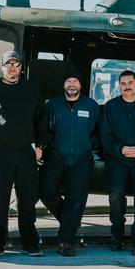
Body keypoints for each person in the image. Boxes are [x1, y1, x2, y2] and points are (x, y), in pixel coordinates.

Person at [0, 50, 44, 258]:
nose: (12, 68)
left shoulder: (32, 89)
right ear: (2, 67)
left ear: (20, 68)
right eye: (9, 64)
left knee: (27, 201)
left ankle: (30, 244)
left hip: (26, 153)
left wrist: (40, 146)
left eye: (16, 64)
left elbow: (41, 119)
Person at [39, 72, 100, 257]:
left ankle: (65, 242)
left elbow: (98, 130)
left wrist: (90, 145)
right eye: (68, 81)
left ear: (81, 86)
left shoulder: (91, 106)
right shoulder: (52, 105)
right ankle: (70, 220)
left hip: (81, 158)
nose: (72, 84)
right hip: (57, 156)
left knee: (77, 198)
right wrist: (47, 145)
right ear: (64, 85)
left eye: (75, 81)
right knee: (45, 190)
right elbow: (44, 129)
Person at [100, 70, 135, 255]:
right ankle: (117, 236)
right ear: (118, 85)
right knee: (115, 196)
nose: (127, 86)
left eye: (130, 82)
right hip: (117, 160)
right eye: (123, 83)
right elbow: (105, 136)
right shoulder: (111, 107)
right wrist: (120, 149)